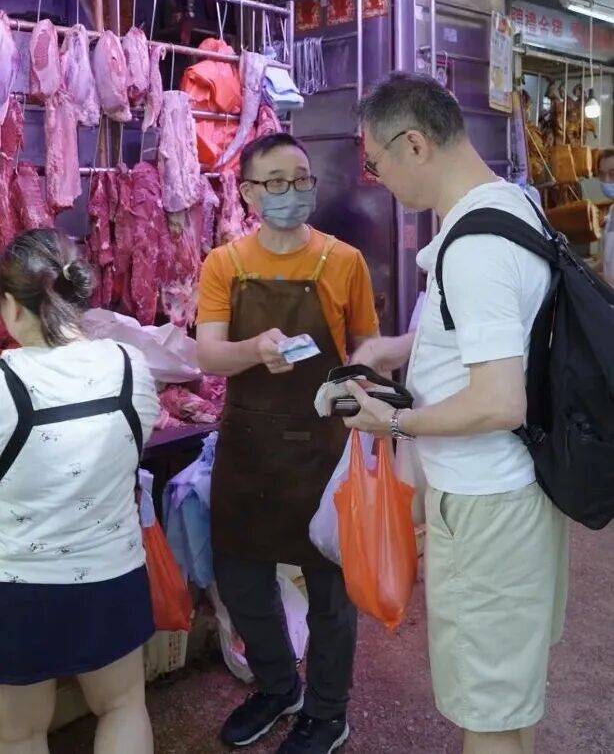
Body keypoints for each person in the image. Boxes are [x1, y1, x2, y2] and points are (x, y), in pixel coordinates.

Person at [345, 73, 568, 754]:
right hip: (515, 491)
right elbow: (497, 331)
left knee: (487, 714)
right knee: (507, 700)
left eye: (374, 164)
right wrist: (399, 348)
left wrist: (395, 423)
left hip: (486, 507)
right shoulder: (513, 204)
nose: (378, 179)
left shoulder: (474, 246)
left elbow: (498, 400)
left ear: (413, 144)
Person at [197, 132, 379, 754]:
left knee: (330, 589)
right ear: (248, 193)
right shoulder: (224, 263)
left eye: (301, 179)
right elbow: (208, 354)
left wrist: (364, 390)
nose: (291, 192)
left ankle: (327, 712)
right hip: (248, 448)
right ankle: (278, 686)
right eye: (275, 182)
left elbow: (366, 348)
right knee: (242, 581)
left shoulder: (343, 261)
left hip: (321, 446)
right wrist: (254, 349)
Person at [0, 229, 158, 754]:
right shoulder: (130, 366)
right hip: (112, 576)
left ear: (12, 306)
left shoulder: (3, 382)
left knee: (19, 732)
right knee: (122, 706)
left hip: (19, 587)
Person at [594, 147, 614, 286]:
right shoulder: (612, 211)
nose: (606, 181)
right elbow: (607, 261)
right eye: (602, 174)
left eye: (613, 174)